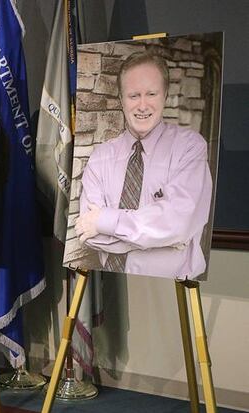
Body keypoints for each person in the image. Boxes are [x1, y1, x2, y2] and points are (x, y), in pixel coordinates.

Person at [75, 51, 212, 279]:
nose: (142, 105)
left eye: (151, 93)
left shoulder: (190, 148)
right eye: (133, 95)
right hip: (109, 284)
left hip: (172, 289)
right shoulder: (100, 156)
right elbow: (89, 234)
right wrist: (161, 238)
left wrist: (106, 221)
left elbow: (178, 223)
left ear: (165, 95)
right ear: (121, 100)